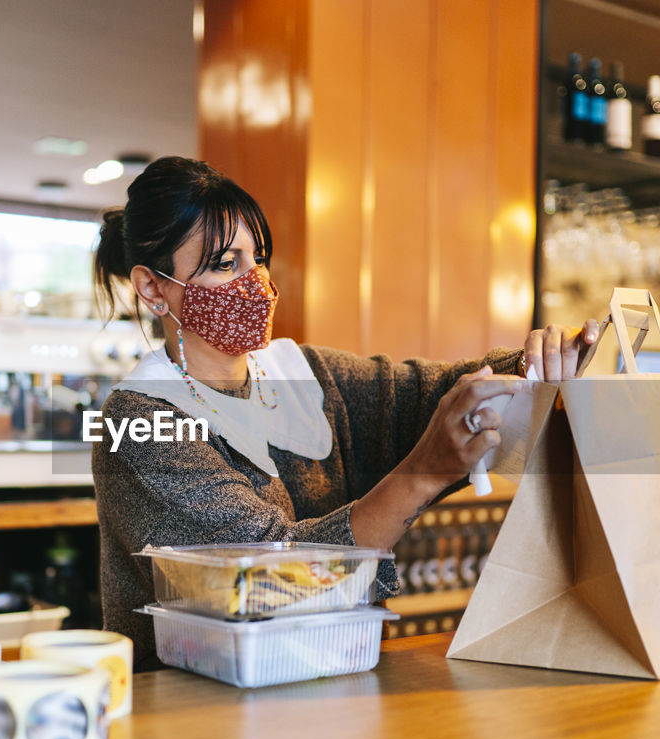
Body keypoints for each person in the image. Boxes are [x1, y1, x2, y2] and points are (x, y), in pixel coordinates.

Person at [91, 156, 598, 670]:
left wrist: (536, 365)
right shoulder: (137, 421)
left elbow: (430, 393)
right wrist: (423, 472)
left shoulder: (307, 375)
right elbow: (266, 579)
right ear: (153, 288)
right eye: (226, 263)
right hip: (190, 718)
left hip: (331, 688)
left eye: (258, 258)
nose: (257, 282)